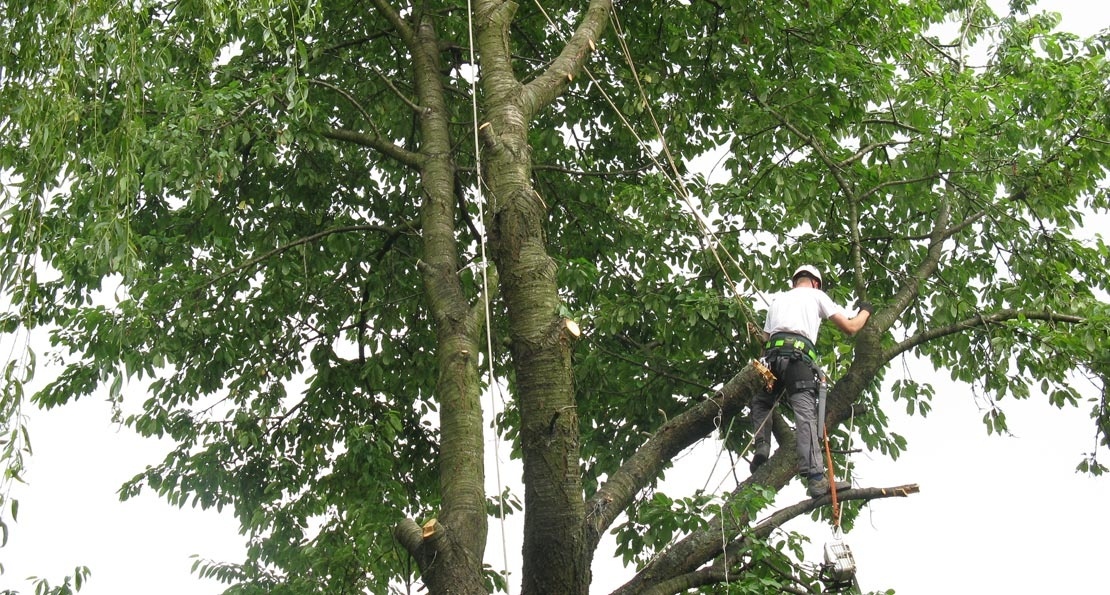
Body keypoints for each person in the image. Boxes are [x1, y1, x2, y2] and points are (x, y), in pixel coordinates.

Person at [749, 265, 873, 498]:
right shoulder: (816, 295)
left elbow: (764, 340)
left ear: (795, 281)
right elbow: (851, 328)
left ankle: (761, 446)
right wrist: (865, 311)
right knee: (806, 416)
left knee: (761, 402)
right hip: (798, 361)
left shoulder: (778, 300)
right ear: (816, 283)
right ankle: (816, 479)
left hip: (771, 359)